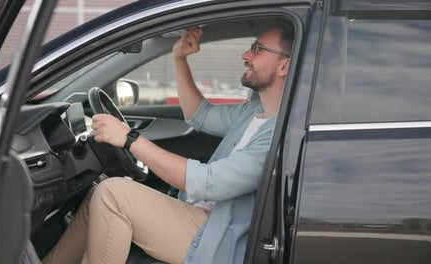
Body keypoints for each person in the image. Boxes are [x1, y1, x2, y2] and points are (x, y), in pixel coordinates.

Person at [42, 19, 293, 264]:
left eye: (257, 49)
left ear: (284, 67)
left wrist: (129, 138)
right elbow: (199, 115)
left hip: (215, 236)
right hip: (196, 215)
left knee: (112, 195)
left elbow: (209, 183)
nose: (245, 55)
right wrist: (179, 58)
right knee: (98, 191)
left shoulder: (279, 133)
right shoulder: (253, 113)